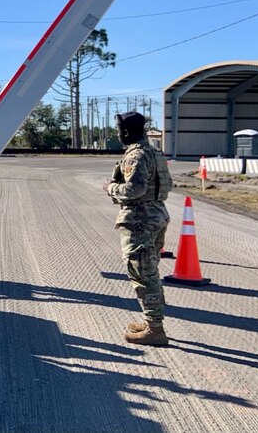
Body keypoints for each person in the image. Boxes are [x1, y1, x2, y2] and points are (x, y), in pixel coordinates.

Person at [104, 111, 173, 346]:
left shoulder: (136, 156)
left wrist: (110, 187)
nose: (117, 134)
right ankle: (151, 321)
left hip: (140, 220)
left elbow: (134, 190)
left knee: (143, 275)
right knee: (150, 271)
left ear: (124, 131)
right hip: (157, 215)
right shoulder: (155, 152)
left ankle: (155, 329)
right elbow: (167, 184)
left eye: (118, 130)